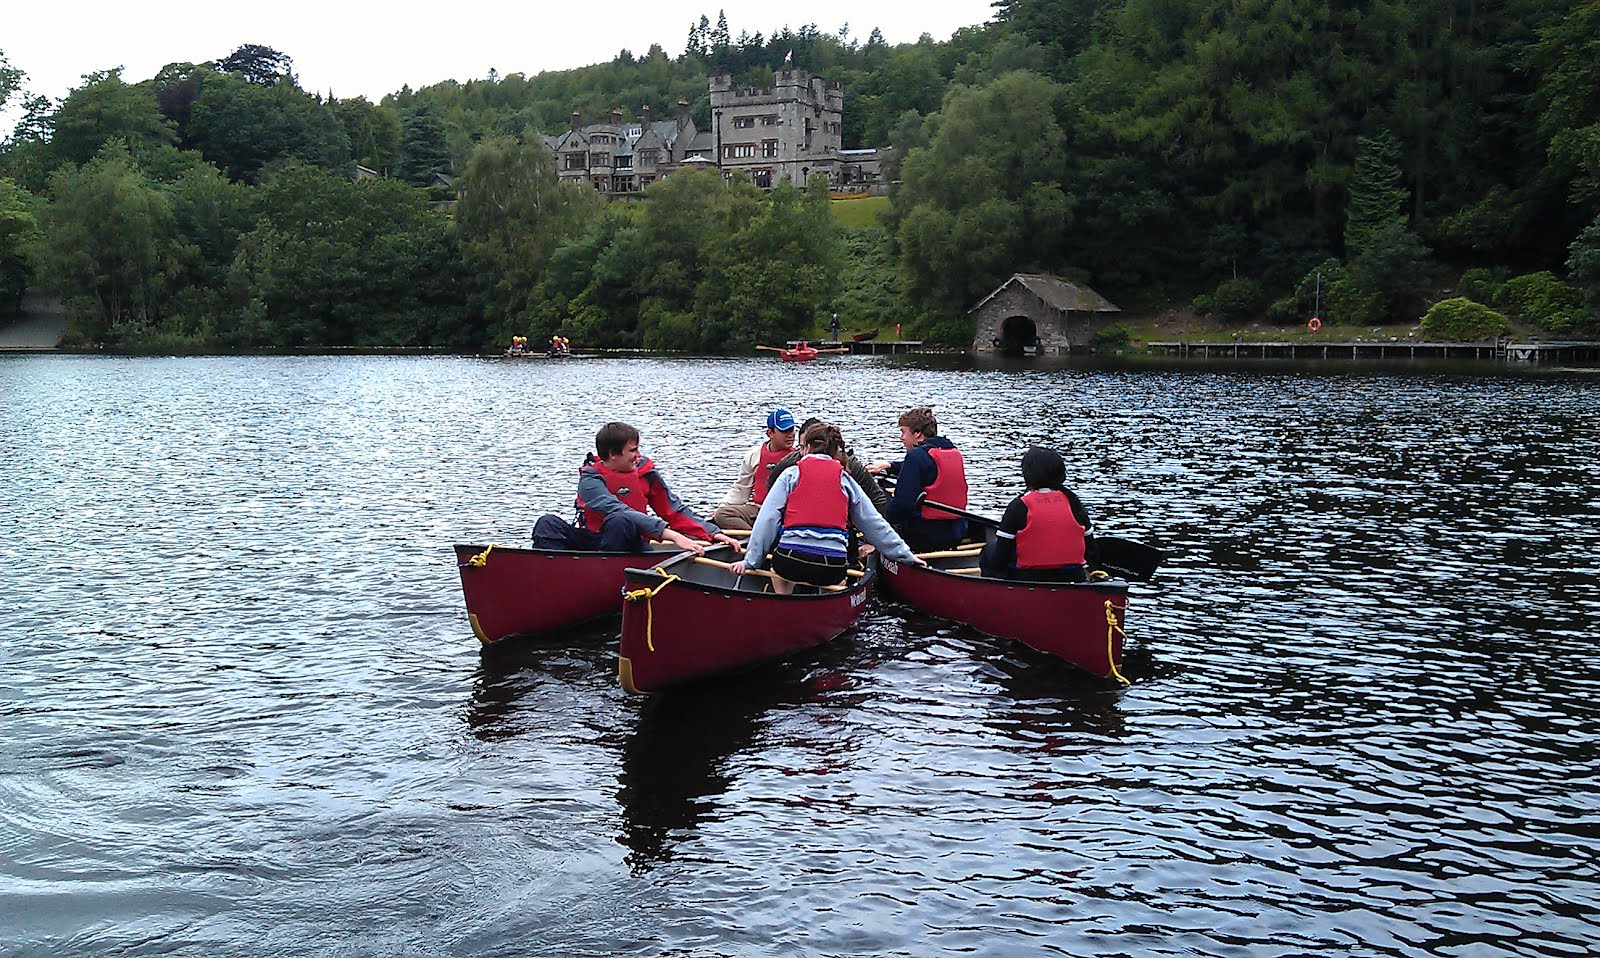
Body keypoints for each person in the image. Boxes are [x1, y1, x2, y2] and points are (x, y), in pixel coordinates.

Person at [731, 423, 923, 593]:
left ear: (806, 448)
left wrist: (750, 561)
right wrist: (905, 556)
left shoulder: (791, 474)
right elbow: (874, 524)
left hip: (790, 561)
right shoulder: (845, 479)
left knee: (778, 571)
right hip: (830, 566)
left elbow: (767, 520)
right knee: (837, 578)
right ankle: (830, 600)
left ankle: (783, 602)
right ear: (835, 452)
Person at [532, 422, 743, 555]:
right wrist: (673, 536)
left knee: (620, 523)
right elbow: (618, 509)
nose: (638, 455)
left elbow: (674, 510)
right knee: (547, 523)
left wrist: (713, 533)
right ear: (613, 454)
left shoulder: (645, 473)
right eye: (633, 450)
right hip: (595, 543)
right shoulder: (590, 480)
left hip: (631, 545)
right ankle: (552, 570)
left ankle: (604, 575)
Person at [979, 447, 1101, 582]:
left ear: (1027, 474)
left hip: (1028, 578)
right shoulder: (1073, 501)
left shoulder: (1019, 505)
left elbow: (1000, 556)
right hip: (1072, 576)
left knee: (990, 549)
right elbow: (1091, 548)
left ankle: (995, 589)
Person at [867, 406, 968, 552]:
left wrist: (883, 529)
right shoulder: (951, 451)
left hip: (923, 535)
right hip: (957, 531)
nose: (901, 437)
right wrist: (890, 466)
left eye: (903, 432)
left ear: (918, 433)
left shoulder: (915, 456)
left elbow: (902, 505)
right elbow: (928, 467)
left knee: (880, 491)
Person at [772, 417, 889, 519]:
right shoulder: (790, 464)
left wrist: (868, 541)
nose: (806, 453)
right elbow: (771, 489)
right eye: (802, 447)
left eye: (811, 447)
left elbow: (878, 500)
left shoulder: (851, 466)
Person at [712, 408, 799, 531]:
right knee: (722, 514)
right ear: (770, 433)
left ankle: (756, 538)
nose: (790, 435)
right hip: (759, 509)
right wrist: (722, 506)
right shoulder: (754, 456)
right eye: (784, 431)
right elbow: (741, 489)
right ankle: (754, 537)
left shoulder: (799, 457)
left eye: (791, 430)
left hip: (786, 512)